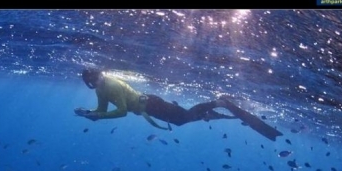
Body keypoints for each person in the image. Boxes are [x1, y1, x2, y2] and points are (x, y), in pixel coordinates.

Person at [75, 68, 283, 141]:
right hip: (149, 108)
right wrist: (89, 112)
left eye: (96, 79)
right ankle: (206, 114)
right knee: (181, 121)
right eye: (92, 82)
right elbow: (102, 110)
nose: (95, 83)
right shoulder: (101, 89)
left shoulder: (111, 85)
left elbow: (121, 112)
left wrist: (98, 116)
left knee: (183, 117)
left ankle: (219, 102)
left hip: (151, 104)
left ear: (101, 75)